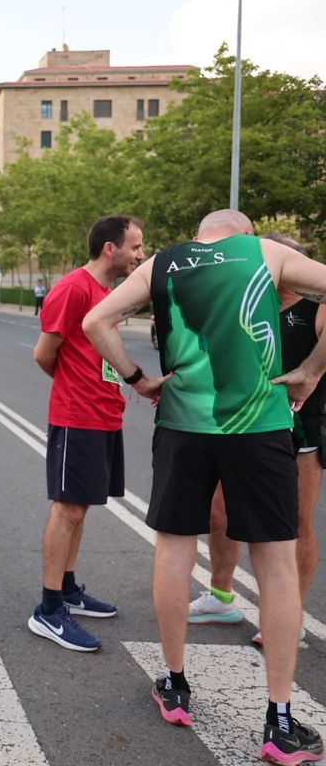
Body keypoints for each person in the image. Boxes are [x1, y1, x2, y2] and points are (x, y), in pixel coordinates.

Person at [83, 208, 326, 764]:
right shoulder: (267, 253)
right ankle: (280, 721)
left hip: (183, 424)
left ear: (200, 234)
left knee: (174, 549)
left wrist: (139, 380)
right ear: (243, 233)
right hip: (261, 427)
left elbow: (96, 322)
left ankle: (174, 684)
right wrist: (312, 369)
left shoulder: (165, 263)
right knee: (276, 564)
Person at [188, 234, 326, 646]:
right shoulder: (249, 297)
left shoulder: (313, 303)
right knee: (219, 512)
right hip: (244, 423)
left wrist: (312, 371)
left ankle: (289, 616)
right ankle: (220, 595)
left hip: (299, 426)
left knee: (295, 521)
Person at [27, 215, 145, 653]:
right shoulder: (74, 289)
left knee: (81, 509)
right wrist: (76, 385)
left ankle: (69, 587)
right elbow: (45, 354)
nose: (140, 254)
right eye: (135, 246)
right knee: (67, 509)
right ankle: (48, 608)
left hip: (102, 416)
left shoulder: (104, 294)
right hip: (77, 416)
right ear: (110, 248)